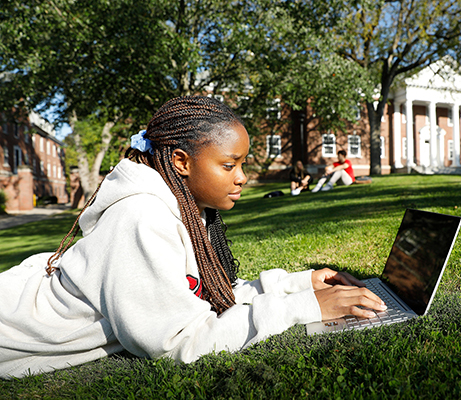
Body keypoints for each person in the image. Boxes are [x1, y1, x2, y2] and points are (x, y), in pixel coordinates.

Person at [0, 96, 386, 379]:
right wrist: (303, 307)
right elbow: (179, 343)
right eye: (229, 165)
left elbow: (207, 296)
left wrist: (298, 283)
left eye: (243, 164)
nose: (242, 177)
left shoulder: (186, 207)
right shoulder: (141, 218)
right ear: (182, 162)